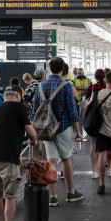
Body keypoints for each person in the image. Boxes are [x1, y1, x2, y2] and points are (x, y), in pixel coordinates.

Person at [0, 86, 38, 221]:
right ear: (18, 96)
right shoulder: (18, 107)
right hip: (8, 157)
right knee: (10, 195)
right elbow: (30, 131)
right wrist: (34, 140)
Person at [33, 57, 84, 206]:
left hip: (46, 130)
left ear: (50, 68)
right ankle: (70, 193)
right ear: (63, 69)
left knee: (51, 162)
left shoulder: (40, 86)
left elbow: (35, 110)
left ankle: (53, 197)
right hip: (63, 127)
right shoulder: (66, 86)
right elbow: (72, 111)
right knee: (66, 160)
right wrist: (78, 131)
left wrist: (34, 131)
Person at [86, 69, 106, 179]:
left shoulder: (92, 87)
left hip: (94, 119)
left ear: (95, 77)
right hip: (105, 120)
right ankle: (105, 170)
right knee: (103, 147)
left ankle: (94, 171)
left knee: (94, 146)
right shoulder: (107, 87)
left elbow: (87, 98)